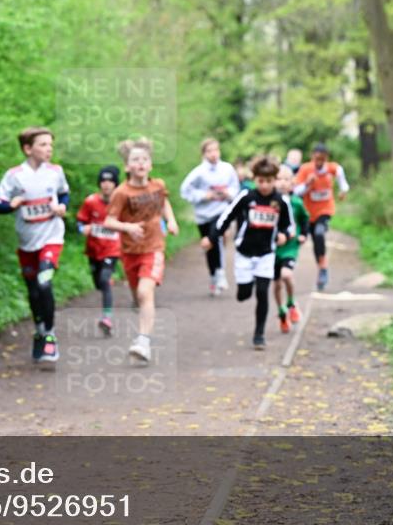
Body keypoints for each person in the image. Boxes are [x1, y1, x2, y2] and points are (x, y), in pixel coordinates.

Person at [0, 127, 70, 365]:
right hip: (27, 243)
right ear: (28, 149)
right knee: (33, 290)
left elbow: (64, 194)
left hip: (52, 237)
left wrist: (62, 207)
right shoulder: (14, 175)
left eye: (51, 144)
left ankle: (49, 335)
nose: (49, 149)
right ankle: (39, 329)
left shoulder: (56, 172)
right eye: (43, 144)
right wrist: (12, 205)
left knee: (44, 281)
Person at [203, 156, 291, 350]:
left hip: (266, 254)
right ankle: (244, 289)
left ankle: (259, 334)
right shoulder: (246, 197)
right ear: (254, 179)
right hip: (244, 252)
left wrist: (284, 235)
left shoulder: (281, 201)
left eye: (269, 181)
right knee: (244, 293)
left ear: (275, 180)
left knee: (262, 292)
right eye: (261, 181)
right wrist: (211, 237)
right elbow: (226, 217)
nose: (265, 185)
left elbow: (287, 225)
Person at [103, 138, 179, 363]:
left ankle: (143, 341)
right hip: (130, 251)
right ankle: (143, 316)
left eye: (145, 159)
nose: (141, 163)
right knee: (139, 295)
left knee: (146, 293)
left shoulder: (158, 186)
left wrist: (171, 221)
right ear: (127, 166)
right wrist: (127, 227)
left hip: (154, 247)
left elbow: (164, 202)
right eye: (135, 160)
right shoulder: (121, 193)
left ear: (150, 164)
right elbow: (109, 221)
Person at [180, 138, 240, 297]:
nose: (213, 154)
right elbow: (185, 191)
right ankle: (213, 276)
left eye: (216, 150)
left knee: (216, 238)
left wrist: (229, 194)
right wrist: (203, 195)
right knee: (209, 246)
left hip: (221, 211)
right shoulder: (198, 172)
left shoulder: (227, 169)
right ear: (204, 153)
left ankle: (220, 273)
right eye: (209, 151)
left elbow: (236, 188)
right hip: (203, 215)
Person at [293, 142, 349, 290]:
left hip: (325, 209)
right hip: (308, 212)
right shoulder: (305, 169)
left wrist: (343, 191)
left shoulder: (332, 168)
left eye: (322, 159)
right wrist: (307, 184)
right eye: (316, 159)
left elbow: (342, 180)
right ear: (312, 157)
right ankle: (320, 266)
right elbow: (296, 191)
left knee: (319, 234)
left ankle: (323, 268)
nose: (319, 162)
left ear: (326, 158)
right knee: (313, 240)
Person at [76, 165, 123, 335]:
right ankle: (105, 290)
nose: (106, 184)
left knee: (105, 279)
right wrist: (83, 229)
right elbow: (80, 222)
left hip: (112, 249)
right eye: (103, 180)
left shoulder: (121, 203)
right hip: (93, 249)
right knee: (98, 282)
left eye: (110, 181)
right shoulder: (90, 202)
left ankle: (107, 317)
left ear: (116, 184)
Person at [273, 164, 310, 333]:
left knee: (286, 275)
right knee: (276, 284)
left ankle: (291, 303)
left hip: (290, 247)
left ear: (292, 183)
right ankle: (281, 312)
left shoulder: (296, 202)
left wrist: (304, 234)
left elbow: (305, 219)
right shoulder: (270, 202)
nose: (281, 183)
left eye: (286, 180)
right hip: (273, 248)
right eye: (278, 179)